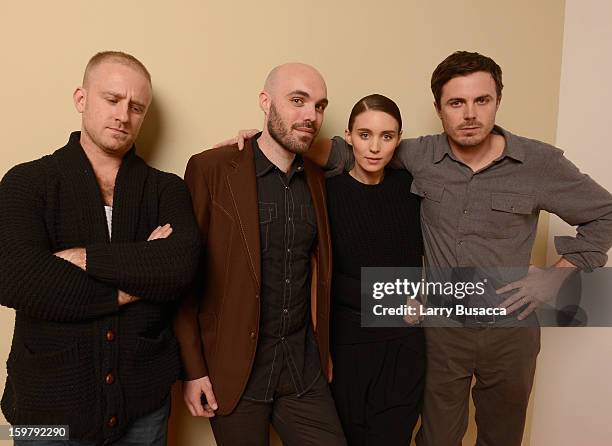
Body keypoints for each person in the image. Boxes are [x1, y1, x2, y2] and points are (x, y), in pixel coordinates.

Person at [323, 51, 612, 446]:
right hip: (443, 328)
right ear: (439, 109)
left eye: (482, 100)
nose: (470, 113)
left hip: (511, 328)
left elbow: (605, 214)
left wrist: (554, 277)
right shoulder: (418, 154)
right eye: (456, 103)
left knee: (501, 436)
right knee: (437, 437)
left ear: (498, 101)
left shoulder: (538, 163)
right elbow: (345, 152)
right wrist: (259, 141)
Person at [0, 51, 200, 445]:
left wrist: (81, 258)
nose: (124, 116)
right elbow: (18, 279)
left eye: (136, 107)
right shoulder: (26, 182)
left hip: (144, 404)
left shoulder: (167, 189)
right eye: (112, 99)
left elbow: (179, 268)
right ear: (81, 99)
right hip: (45, 406)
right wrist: (142, 270)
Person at [174, 63, 346, 446]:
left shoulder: (319, 179)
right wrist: (193, 369)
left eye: (319, 106)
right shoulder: (211, 168)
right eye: (297, 101)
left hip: (302, 368)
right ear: (265, 102)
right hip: (234, 371)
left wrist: (323, 348)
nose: (310, 116)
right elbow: (184, 279)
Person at [326, 94, 425, 445]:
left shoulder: (412, 189)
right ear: (348, 136)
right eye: (365, 134)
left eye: (387, 136)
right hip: (349, 343)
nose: (375, 147)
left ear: (398, 140)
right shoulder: (327, 192)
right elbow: (323, 276)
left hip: (406, 344)